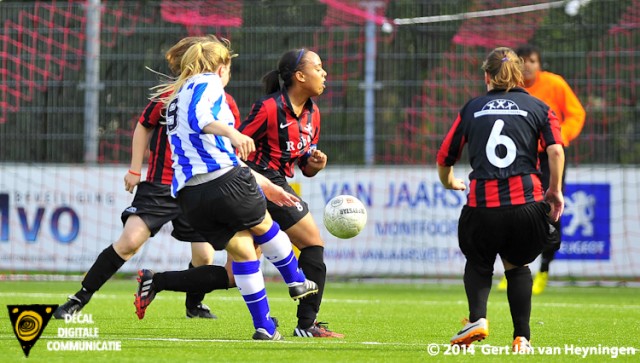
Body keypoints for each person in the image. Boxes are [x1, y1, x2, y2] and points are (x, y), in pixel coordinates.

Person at [138, 38, 318, 341]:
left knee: (244, 252)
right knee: (267, 227)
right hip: (223, 181)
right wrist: (233, 132)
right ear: (222, 68)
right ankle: (297, 280)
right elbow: (202, 121)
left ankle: (264, 327)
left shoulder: (175, 96)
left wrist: (264, 185)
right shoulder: (208, 83)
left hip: (190, 197)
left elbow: (212, 148)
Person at [53, 35, 237, 320]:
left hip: (197, 186)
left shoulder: (225, 103)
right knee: (129, 242)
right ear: (219, 68)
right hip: (161, 185)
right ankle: (79, 298)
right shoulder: (172, 95)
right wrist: (135, 169)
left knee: (204, 257)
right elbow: (144, 126)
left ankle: (193, 305)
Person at [436, 47, 565, 352]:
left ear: (487, 76)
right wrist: (554, 191)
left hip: (482, 208)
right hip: (526, 207)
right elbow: (556, 150)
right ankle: (522, 338)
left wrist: (449, 181)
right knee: (518, 266)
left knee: (479, 264)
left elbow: (445, 156)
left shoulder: (472, 108)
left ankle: (477, 319)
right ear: (521, 75)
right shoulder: (539, 107)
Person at [237, 48, 343, 338]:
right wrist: (256, 180)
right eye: (318, 67)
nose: (324, 74)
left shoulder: (313, 114)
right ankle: (306, 324)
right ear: (299, 76)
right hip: (255, 183)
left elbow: (302, 165)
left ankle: (158, 281)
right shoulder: (268, 108)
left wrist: (314, 164)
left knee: (232, 274)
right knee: (313, 244)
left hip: (277, 183)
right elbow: (235, 148)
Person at [498, 44, 586, 294]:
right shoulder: (509, 88)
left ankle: (544, 269)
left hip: (549, 156)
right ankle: (513, 268)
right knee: (513, 210)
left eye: (532, 61)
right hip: (519, 157)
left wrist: (560, 138)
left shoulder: (555, 84)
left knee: (549, 209)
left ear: (540, 64)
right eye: (522, 61)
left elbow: (577, 113)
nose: (527, 65)